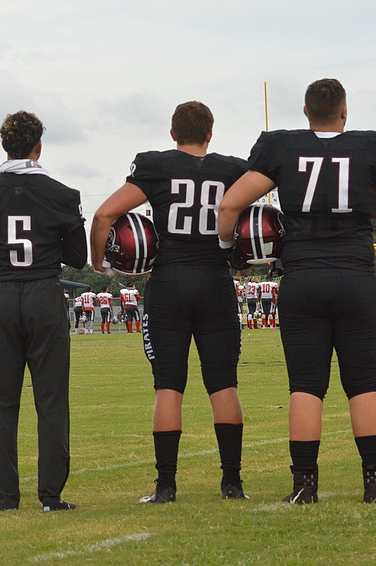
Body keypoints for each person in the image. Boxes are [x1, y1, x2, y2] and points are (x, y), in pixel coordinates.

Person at [218, 78, 376, 504]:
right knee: (364, 385)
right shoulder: (370, 148)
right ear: (344, 111)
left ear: (304, 112)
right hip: (355, 276)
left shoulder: (282, 148)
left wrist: (229, 250)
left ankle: (304, 486)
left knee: (305, 385)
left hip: (303, 277)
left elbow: (229, 205)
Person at [91, 100, 248, 503]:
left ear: (172, 133)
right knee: (224, 385)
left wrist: (99, 262)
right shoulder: (231, 169)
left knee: (168, 388)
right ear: (210, 134)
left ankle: (166, 487)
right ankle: (232, 484)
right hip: (215, 282)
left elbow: (104, 215)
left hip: (170, 284)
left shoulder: (156, 165)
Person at [0, 110, 86, 512]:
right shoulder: (62, 194)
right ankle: (50, 495)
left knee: (1, 401)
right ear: (38, 146)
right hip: (44, 294)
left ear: (5, 147)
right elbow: (78, 257)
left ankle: (6, 497)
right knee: (51, 399)